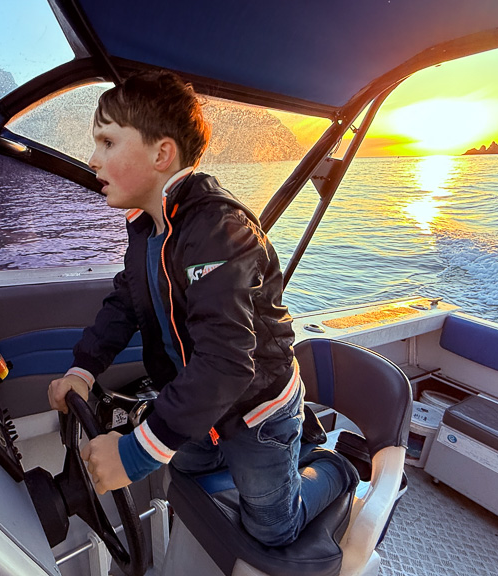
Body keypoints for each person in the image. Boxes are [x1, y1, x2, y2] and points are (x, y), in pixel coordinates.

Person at [48, 70, 352, 547]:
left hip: (256, 407)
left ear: (161, 154)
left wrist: (136, 454)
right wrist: (83, 369)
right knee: (187, 469)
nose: (93, 159)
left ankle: (334, 466)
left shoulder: (218, 230)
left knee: (273, 528)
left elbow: (227, 363)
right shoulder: (147, 226)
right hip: (197, 397)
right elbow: (125, 301)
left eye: (107, 142)